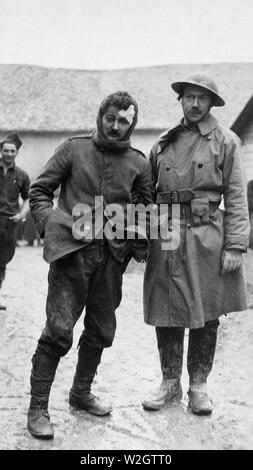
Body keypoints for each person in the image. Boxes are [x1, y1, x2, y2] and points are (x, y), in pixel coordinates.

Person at [27, 91, 152, 439]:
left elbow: (147, 210)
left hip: (111, 259)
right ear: (101, 117)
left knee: (101, 330)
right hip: (72, 255)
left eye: (123, 121)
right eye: (110, 118)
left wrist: (133, 244)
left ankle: (80, 393)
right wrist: (50, 225)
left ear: (132, 124)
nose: (115, 126)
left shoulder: (139, 164)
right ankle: (37, 407)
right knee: (59, 330)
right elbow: (40, 191)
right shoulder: (74, 149)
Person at [142, 74, 249, 416]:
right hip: (168, 234)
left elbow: (235, 198)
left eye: (202, 99)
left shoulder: (226, 141)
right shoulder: (162, 143)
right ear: (181, 100)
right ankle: (169, 384)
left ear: (212, 103)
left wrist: (235, 245)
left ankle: (199, 387)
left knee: (208, 315)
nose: (195, 104)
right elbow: (145, 193)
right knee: (167, 310)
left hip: (207, 237)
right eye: (189, 97)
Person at [0, 133, 30, 310]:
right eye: (5, 150)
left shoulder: (22, 175)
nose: (8, 154)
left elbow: (28, 198)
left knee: (2, 262)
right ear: (1, 151)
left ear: (16, 153)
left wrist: (21, 215)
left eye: (12, 151)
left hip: (9, 223)